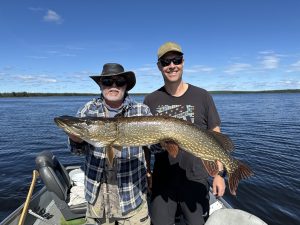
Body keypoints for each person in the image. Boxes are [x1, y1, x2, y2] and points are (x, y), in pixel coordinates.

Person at [143, 42, 226, 225]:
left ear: (183, 62)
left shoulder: (203, 96)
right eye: (166, 62)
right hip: (162, 181)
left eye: (176, 60)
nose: (172, 65)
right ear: (159, 66)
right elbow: (145, 143)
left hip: (195, 179)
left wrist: (219, 174)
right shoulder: (150, 100)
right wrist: (148, 172)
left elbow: (215, 133)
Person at [68, 63, 152, 225]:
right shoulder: (88, 110)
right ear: (100, 85)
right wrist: (75, 139)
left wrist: (165, 141)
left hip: (131, 196)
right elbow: (78, 151)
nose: (113, 86)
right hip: (97, 198)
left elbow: (153, 148)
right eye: (107, 82)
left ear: (126, 85)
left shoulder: (142, 111)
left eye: (119, 81)